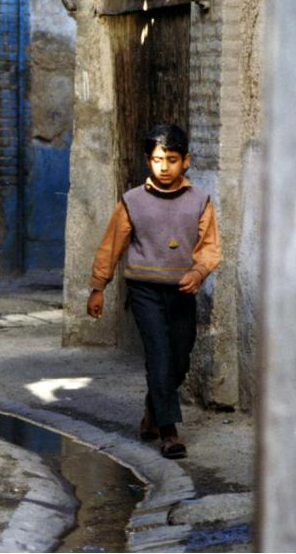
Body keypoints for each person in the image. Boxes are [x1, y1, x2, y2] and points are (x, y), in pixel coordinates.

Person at [86, 124, 221, 459]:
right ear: (148, 160)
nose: (164, 167)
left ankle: (152, 407)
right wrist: (97, 286)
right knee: (159, 355)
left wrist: (199, 270)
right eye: (158, 159)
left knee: (179, 359)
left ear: (185, 161)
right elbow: (111, 246)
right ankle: (169, 431)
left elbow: (210, 247)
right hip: (144, 289)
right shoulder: (132, 202)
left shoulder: (200, 202)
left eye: (172, 159)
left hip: (182, 291)